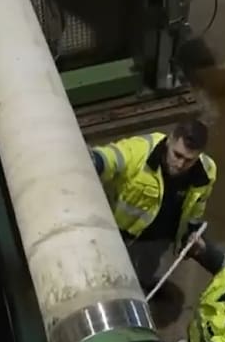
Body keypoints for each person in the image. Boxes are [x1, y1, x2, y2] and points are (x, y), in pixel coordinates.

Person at [90, 120, 217, 292]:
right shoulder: (141, 151)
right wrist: (95, 160)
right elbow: (112, 157)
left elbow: (198, 205)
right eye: (177, 155)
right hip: (122, 234)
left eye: (189, 160)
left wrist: (191, 232)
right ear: (169, 140)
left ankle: (140, 286)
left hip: (160, 239)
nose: (180, 164)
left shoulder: (207, 171)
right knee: (108, 272)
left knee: (146, 270)